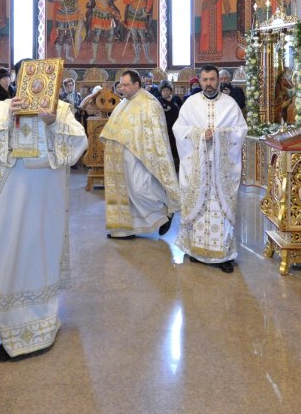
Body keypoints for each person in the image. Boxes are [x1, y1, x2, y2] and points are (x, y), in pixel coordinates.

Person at [0, 65, 87, 361]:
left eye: (39, 78)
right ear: (18, 80)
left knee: (43, 250)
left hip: (47, 192)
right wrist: (8, 119)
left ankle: (45, 321)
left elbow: (78, 142)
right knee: (12, 251)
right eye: (25, 78)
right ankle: (12, 330)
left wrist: (52, 124)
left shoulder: (59, 109)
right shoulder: (3, 107)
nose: (33, 85)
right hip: (15, 192)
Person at [172, 65, 248, 273]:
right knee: (200, 208)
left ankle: (224, 256)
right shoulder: (190, 104)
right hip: (198, 169)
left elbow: (241, 130)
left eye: (212, 79)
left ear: (219, 80)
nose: (208, 83)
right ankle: (197, 251)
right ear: (200, 80)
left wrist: (220, 135)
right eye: (205, 79)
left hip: (221, 173)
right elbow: (178, 129)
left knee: (221, 211)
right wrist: (198, 134)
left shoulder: (230, 104)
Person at [99, 70, 180, 239]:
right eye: (121, 85)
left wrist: (146, 152)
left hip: (140, 157)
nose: (122, 88)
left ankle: (165, 212)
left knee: (140, 190)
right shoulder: (124, 102)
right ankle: (125, 229)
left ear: (137, 84)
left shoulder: (150, 103)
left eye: (126, 85)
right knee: (127, 193)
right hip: (121, 158)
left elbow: (156, 135)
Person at [158, 82, 182, 173]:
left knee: (177, 145)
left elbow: (182, 110)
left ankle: (177, 164)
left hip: (176, 127)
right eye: (163, 91)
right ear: (161, 92)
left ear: (171, 91)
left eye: (167, 90)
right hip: (165, 128)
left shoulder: (176, 99)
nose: (166, 92)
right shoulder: (158, 101)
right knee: (168, 145)